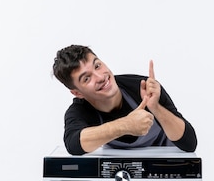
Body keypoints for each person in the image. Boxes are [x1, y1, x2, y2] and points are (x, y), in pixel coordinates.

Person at [52, 44, 197, 155]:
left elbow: (189, 143)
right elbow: (74, 144)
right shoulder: (79, 111)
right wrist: (126, 125)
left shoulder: (142, 87)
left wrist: (156, 108)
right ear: (77, 93)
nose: (101, 77)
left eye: (97, 66)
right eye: (87, 78)